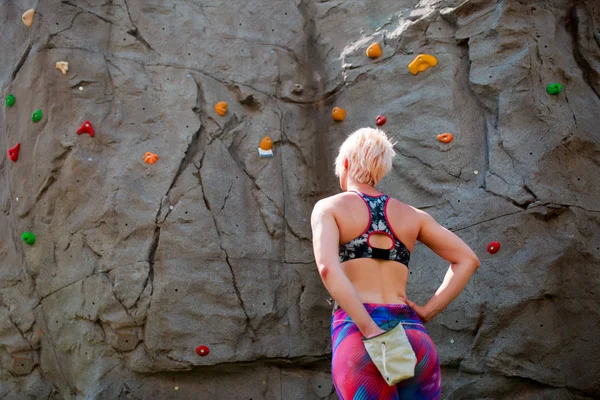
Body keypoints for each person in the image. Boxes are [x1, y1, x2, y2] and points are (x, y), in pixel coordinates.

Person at [310, 127, 480, 399]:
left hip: (360, 336)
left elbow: (328, 268)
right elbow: (467, 259)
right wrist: (428, 310)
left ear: (345, 163)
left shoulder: (329, 208)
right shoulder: (413, 216)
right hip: (412, 336)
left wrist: (371, 331)